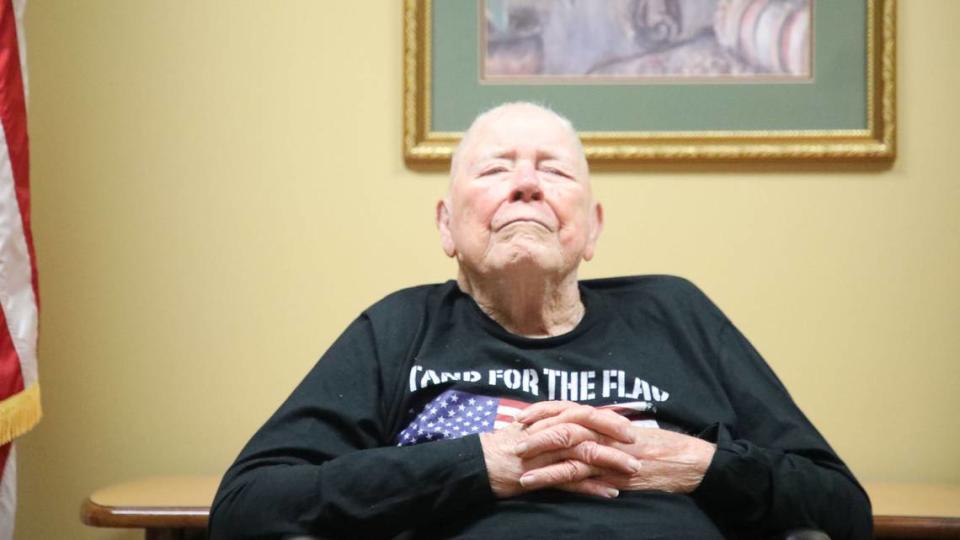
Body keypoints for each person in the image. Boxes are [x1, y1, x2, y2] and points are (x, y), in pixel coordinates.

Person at [209, 103, 871, 539]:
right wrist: (480, 464)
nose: (526, 185)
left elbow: (843, 509)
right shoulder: (399, 328)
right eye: (496, 170)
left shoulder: (675, 312)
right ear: (446, 224)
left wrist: (701, 465)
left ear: (592, 229)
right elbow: (248, 506)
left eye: (552, 172)